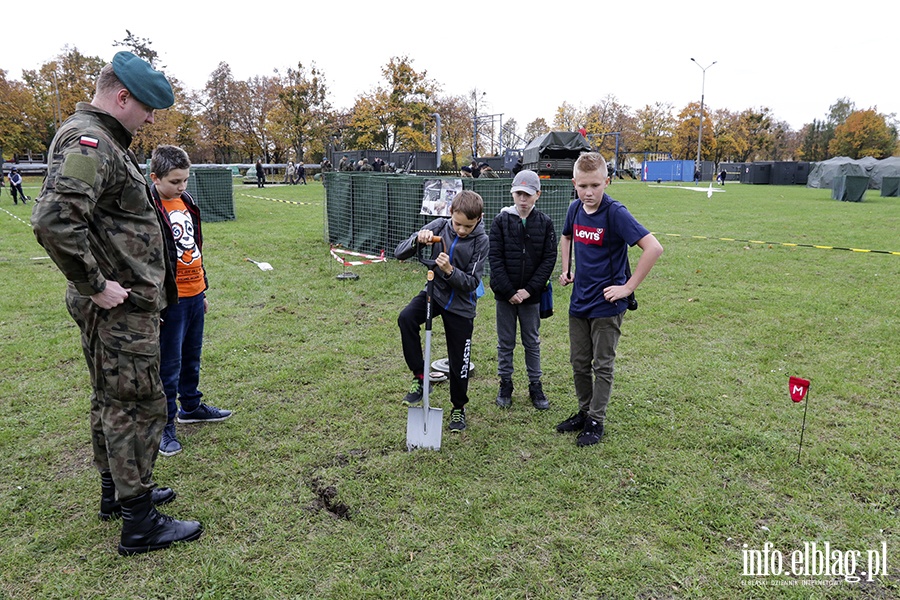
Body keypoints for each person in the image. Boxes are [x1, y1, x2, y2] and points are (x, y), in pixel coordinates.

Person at [30, 51, 202, 555]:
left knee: (110, 399)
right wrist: (95, 284)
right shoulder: (91, 140)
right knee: (138, 404)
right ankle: (141, 521)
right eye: (146, 107)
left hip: (119, 305)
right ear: (121, 96)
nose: (150, 119)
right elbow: (53, 220)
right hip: (119, 308)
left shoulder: (103, 138)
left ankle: (118, 494)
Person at [556, 152, 663, 447]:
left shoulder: (615, 212)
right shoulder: (575, 209)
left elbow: (653, 248)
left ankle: (596, 420)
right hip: (579, 301)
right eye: (583, 186)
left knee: (602, 364)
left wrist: (627, 288)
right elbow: (566, 237)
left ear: (607, 181)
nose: (589, 193)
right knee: (579, 362)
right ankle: (584, 411)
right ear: (574, 183)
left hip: (607, 305)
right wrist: (566, 269)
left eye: (595, 186)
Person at [149, 145, 233, 457]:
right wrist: (157, 303)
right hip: (171, 301)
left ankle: (191, 407)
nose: (181, 187)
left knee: (191, 357)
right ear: (155, 177)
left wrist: (203, 288)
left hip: (195, 294)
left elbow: (193, 247)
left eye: (185, 180)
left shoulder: (187, 202)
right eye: (175, 181)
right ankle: (164, 425)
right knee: (168, 366)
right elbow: (148, 260)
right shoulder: (148, 207)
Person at [395, 190, 489, 433]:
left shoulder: (481, 241)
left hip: (461, 305)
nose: (461, 230)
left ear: (479, 219)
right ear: (450, 214)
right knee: (406, 318)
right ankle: (421, 377)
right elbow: (399, 252)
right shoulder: (439, 225)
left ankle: (458, 407)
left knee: (459, 360)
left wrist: (449, 271)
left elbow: (471, 283)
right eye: (457, 224)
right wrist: (419, 239)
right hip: (434, 295)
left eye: (468, 226)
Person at [488, 170, 557, 410]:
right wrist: (509, 292)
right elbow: (494, 258)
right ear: (512, 193)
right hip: (504, 296)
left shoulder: (545, 223)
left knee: (532, 341)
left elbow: (549, 259)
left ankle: (535, 385)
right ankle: (505, 383)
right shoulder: (500, 221)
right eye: (519, 194)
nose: (523, 199)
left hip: (531, 297)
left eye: (528, 194)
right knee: (505, 342)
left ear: (537, 195)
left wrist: (528, 290)